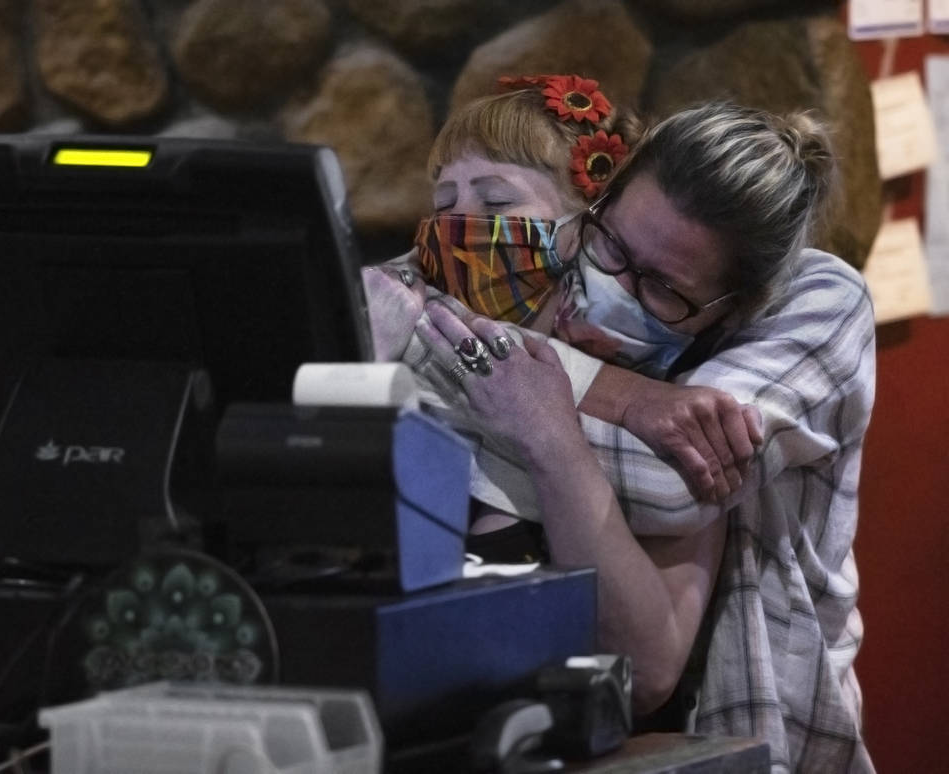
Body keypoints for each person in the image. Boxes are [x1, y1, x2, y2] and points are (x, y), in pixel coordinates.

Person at [416, 101, 876, 772]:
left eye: (661, 286)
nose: (613, 286)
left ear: (731, 312)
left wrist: (533, 423)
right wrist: (612, 394)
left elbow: (674, 485)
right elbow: (384, 298)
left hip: (742, 737)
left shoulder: (772, 328)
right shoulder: (545, 309)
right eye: (612, 247)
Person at [364, 75, 763, 562]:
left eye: (496, 202)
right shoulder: (397, 302)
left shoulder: (639, 363)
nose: (455, 223)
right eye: (444, 203)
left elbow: (677, 491)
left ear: (585, 229)